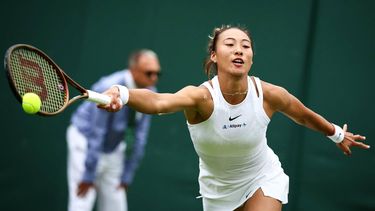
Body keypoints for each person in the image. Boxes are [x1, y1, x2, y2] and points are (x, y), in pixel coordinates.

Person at [100, 25, 369, 211]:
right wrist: (122, 94)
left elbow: (303, 116)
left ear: (251, 57)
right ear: (215, 56)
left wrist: (336, 133)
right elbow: (159, 102)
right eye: (230, 44)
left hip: (262, 177)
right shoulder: (201, 98)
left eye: (246, 46)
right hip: (217, 191)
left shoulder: (270, 94)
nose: (239, 50)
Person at [66, 49, 161, 211]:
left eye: (157, 74)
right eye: (149, 73)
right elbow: (97, 132)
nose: (154, 78)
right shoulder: (107, 86)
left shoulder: (150, 93)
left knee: (116, 205)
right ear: (133, 70)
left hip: (113, 146)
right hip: (85, 141)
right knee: (82, 200)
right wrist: (89, 173)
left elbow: (140, 136)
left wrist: (127, 173)